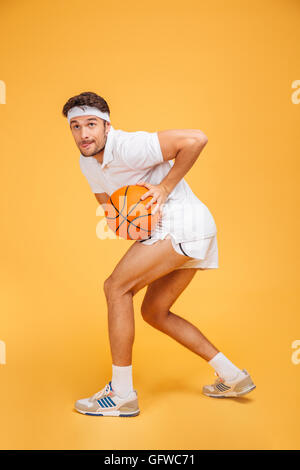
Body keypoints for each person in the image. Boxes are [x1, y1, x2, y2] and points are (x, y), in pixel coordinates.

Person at [62, 91, 256, 417]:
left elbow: (196, 139)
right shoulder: (87, 162)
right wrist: (120, 220)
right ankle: (232, 375)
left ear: (107, 126)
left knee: (115, 288)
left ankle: (121, 394)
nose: (84, 134)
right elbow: (107, 204)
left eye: (91, 124)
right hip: (190, 232)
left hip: (182, 226)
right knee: (155, 312)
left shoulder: (128, 146)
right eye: (76, 126)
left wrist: (164, 188)